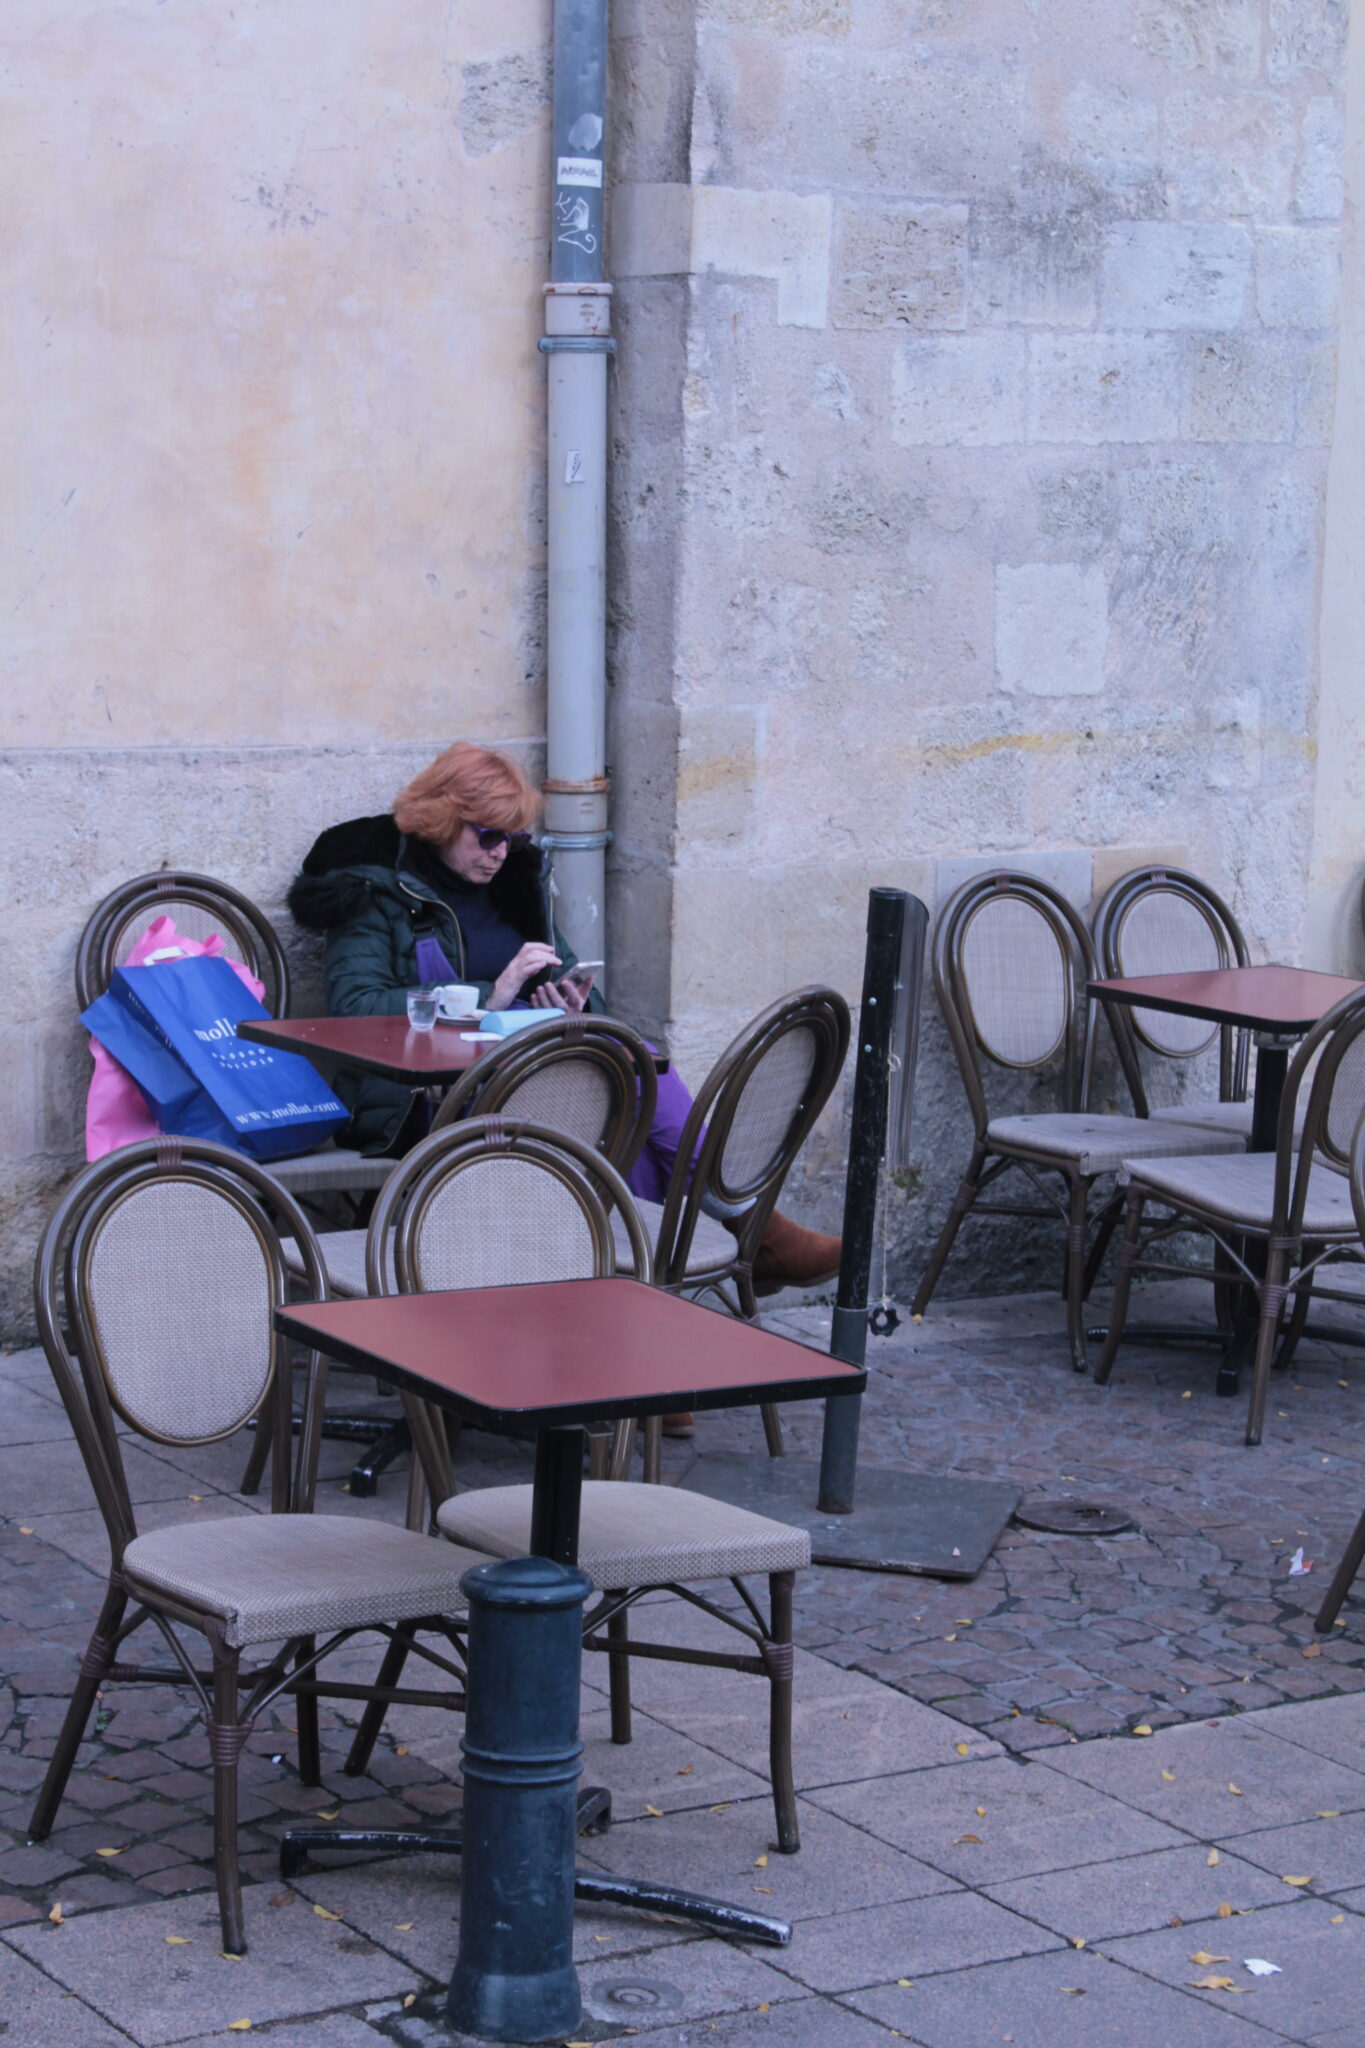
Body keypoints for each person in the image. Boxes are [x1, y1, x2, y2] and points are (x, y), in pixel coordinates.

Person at [288, 741, 842, 1304]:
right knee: (626, 1078)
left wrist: (573, 1005)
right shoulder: (375, 893)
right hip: (421, 1101)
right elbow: (356, 1006)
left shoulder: (513, 887)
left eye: (511, 837)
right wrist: (495, 994)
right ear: (443, 820)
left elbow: (581, 984)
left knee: (629, 1073)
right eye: (487, 835)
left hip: (528, 1081)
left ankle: (639, 1288)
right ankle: (732, 1232)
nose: (501, 853)